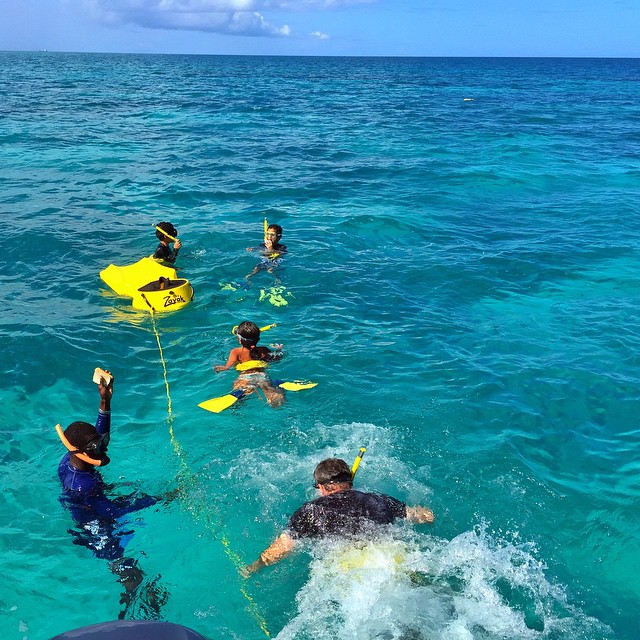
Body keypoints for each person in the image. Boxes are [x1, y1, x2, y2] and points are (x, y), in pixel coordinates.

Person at [56, 372, 174, 619]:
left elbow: (97, 438)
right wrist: (157, 498)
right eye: (97, 448)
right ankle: (134, 607)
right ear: (82, 452)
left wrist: (105, 402)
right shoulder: (83, 484)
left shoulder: (67, 460)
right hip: (93, 523)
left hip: (91, 502)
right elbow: (112, 511)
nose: (102, 449)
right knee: (125, 568)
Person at [242, 458, 434, 576]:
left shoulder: (311, 511)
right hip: (395, 558)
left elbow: (282, 548)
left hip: (353, 568)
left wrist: (255, 566)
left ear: (322, 487)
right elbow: (425, 516)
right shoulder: (379, 499)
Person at [213, 321, 285, 407]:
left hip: (245, 377)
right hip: (262, 376)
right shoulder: (263, 350)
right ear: (257, 339)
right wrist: (279, 350)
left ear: (239, 340)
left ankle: (237, 407)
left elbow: (228, 366)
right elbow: (276, 359)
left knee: (239, 393)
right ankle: (277, 403)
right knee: (270, 390)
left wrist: (222, 368)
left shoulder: (236, 352)